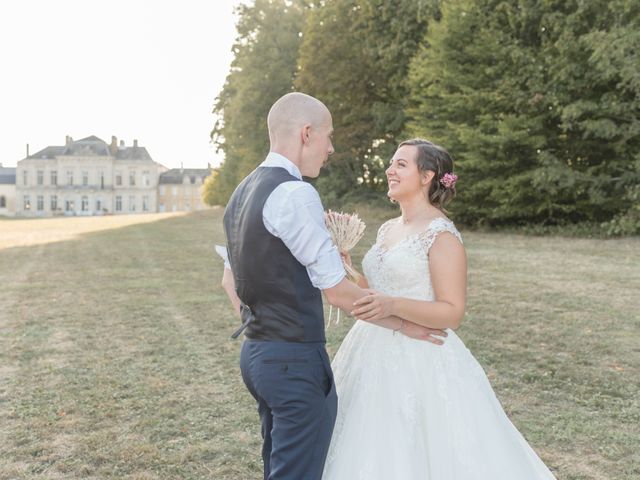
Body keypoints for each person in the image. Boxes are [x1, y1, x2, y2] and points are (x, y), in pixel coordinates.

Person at [221, 93, 445, 480]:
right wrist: (407, 326)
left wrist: (263, 327)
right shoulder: (295, 193)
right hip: (293, 361)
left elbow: (229, 281)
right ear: (307, 134)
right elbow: (339, 294)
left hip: (256, 355)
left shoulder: (242, 191)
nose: (331, 148)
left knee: (279, 466)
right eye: (328, 137)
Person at [322, 139, 557, 479]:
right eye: (391, 163)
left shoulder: (441, 234)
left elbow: (452, 312)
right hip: (370, 349)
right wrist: (351, 272)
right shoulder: (388, 229)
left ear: (427, 176)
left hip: (422, 356)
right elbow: (375, 293)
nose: (390, 169)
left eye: (401, 164)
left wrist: (393, 304)